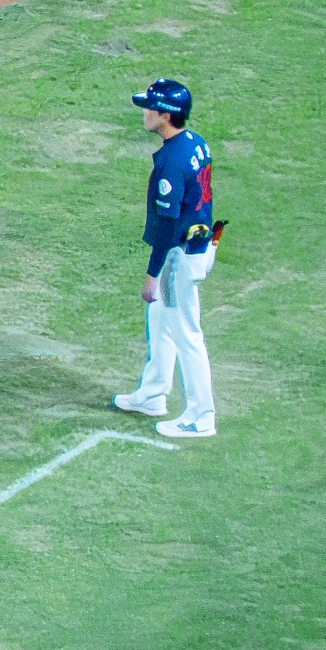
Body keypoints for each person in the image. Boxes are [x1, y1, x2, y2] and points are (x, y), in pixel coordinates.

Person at [113, 79, 219, 438]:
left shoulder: (172, 162)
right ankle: (153, 394)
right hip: (198, 244)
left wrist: (152, 274)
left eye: (150, 107)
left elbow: (168, 225)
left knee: (186, 334)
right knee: (160, 319)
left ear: (165, 115)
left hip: (179, 256)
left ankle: (201, 416)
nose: (145, 112)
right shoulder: (195, 142)